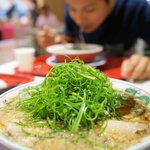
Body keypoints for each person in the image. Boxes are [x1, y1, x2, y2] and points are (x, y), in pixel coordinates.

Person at [37, 0, 150, 81]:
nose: (79, 19)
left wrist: (146, 63)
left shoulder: (137, 8)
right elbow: (68, 40)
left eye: (89, 9)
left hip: (127, 77)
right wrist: (57, 44)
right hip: (80, 78)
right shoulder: (73, 7)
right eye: (73, 9)